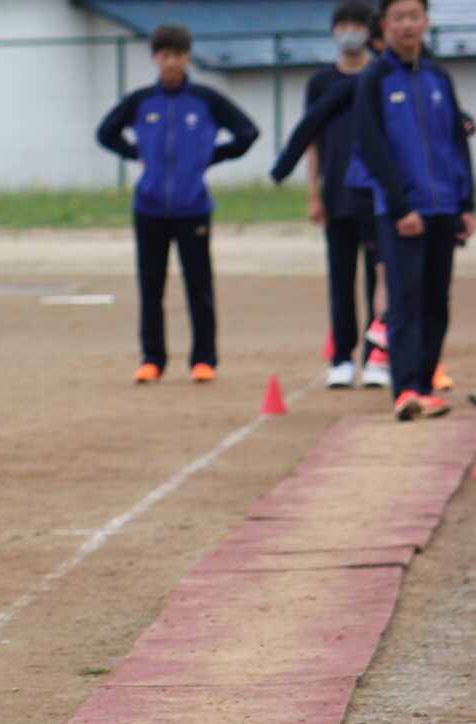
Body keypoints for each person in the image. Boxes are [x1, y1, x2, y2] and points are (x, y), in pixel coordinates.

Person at [97, 23, 260, 385]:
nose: (172, 62)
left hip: (193, 207)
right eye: (165, 55)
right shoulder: (141, 102)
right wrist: (135, 152)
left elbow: (248, 132)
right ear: (155, 58)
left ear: (188, 57)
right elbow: (105, 132)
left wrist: (209, 157)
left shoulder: (205, 100)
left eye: (179, 55)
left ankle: (204, 359)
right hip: (150, 207)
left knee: (198, 285)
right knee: (151, 287)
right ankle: (152, 358)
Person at [354, 0, 473, 419]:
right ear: (385, 26)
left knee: (436, 300)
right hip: (402, 210)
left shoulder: (439, 76)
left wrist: (466, 203)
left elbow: (456, 142)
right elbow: (372, 146)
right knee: (404, 298)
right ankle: (404, 389)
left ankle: (424, 384)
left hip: (444, 207)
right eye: (399, 18)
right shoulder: (374, 79)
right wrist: (400, 204)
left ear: (426, 22)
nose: (407, 25)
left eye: (414, 16)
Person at [270, 3, 383, 389]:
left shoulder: (381, 74)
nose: (349, 30)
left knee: (378, 280)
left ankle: (375, 357)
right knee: (341, 280)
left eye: (357, 24)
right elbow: (312, 141)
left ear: (370, 31)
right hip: (335, 195)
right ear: (334, 31)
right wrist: (312, 194)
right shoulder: (320, 83)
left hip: (376, 195)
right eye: (343, 25)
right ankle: (341, 358)